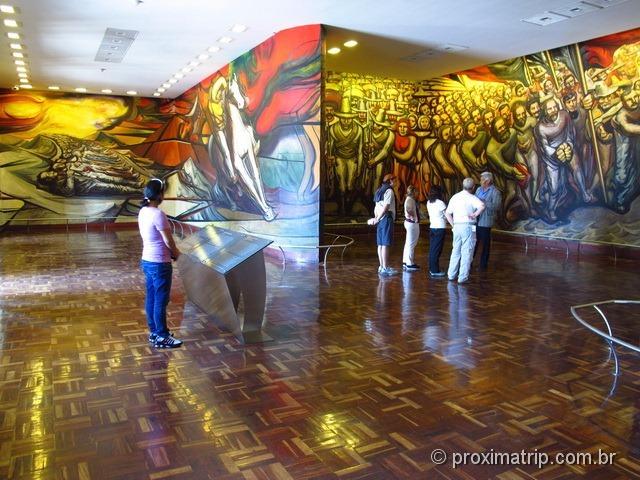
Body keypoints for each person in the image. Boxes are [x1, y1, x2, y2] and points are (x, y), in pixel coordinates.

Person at [138, 179, 183, 348]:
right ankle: (163, 336)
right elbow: (168, 240)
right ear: (159, 195)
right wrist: (176, 253)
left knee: (151, 297)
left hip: (147, 260)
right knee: (161, 300)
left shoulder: (143, 211)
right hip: (160, 263)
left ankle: (154, 332)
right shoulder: (158, 214)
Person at [445, 178, 485, 284]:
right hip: (468, 226)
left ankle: (451, 274)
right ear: (473, 187)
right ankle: (462, 277)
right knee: (467, 252)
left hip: (457, 226)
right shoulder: (472, 197)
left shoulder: (455, 197)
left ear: (462, 186)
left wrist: (453, 225)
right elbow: (482, 206)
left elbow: (447, 213)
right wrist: (475, 214)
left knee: (455, 251)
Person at [368, 173, 397, 276]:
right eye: (395, 180)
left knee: (380, 244)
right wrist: (379, 218)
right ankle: (385, 267)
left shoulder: (379, 190)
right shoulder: (389, 191)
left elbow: (376, 207)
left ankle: (381, 266)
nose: (396, 182)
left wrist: (376, 218)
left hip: (380, 219)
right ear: (391, 180)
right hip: (386, 218)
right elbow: (386, 207)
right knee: (385, 244)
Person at [474, 172, 502, 271]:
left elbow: (497, 206)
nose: (480, 181)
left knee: (485, 245)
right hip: (475, 220)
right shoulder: (478, 189)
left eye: (481, 179)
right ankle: (469, 262)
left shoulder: (495, 192)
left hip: (485, 222)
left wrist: (484, 202)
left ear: (488, 181)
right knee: (473, 243)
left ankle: (483, 265)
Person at [426, 185, 447, 277]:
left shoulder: (428, 202)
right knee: (437, 250)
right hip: (440, 227)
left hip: (432, 227)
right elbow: (447, 215)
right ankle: (435, 270)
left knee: (432, 249)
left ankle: (432, 268)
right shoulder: (440, 203)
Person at [402, 185, 420, 271]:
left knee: (408, 243)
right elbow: (409, 209)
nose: (418, 193)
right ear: (413, 192)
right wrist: (413, 216)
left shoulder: (409, 199)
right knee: (411, 244)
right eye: (416, 191)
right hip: (412, 224)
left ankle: (406, 261)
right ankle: (409, 263)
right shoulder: (410, 200)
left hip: (410, 223)